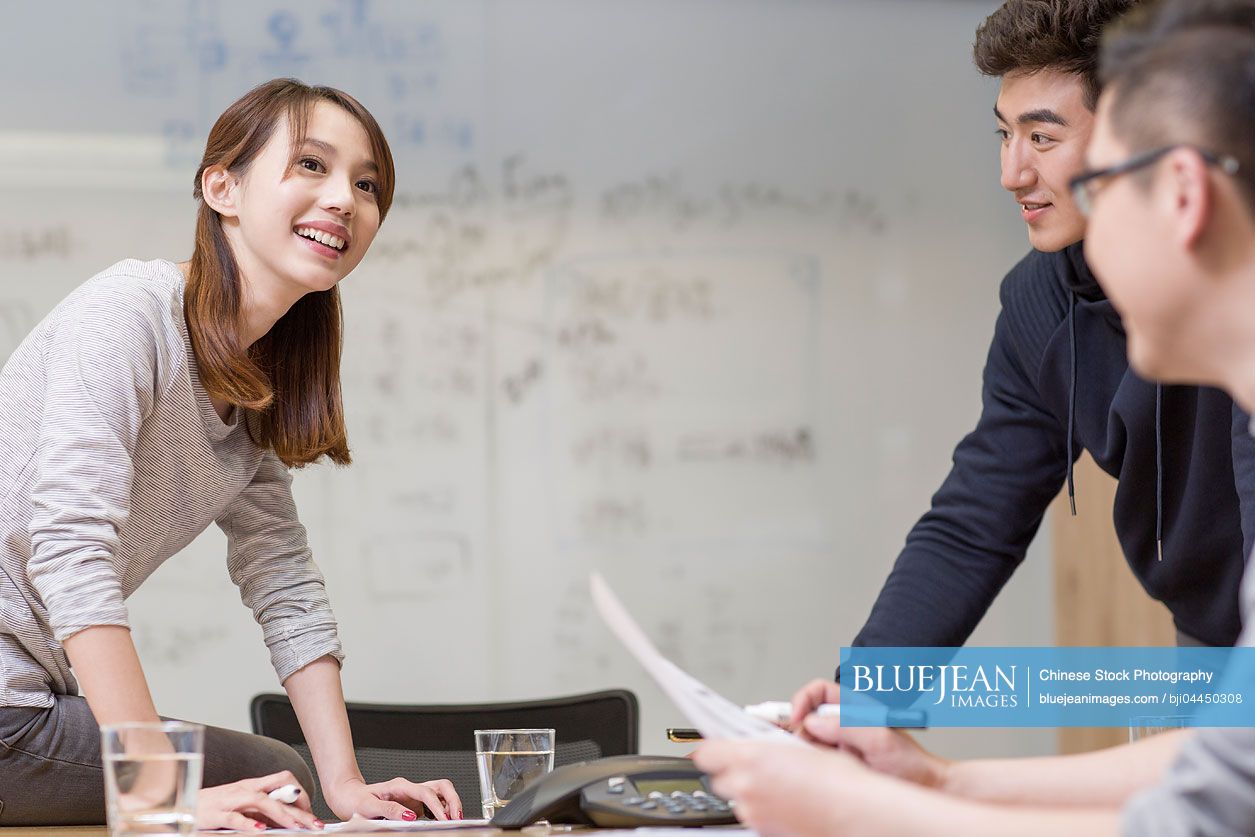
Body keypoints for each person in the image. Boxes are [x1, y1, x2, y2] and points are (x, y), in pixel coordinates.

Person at [698, 1, 1255, 834]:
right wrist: (876, 714)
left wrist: (870, 809)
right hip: (1212, 643)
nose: (1009, 173)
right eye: (1001, 135)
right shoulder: (1041, 300)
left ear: (1171, 176)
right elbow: (973, 518)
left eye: (1044, 139)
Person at [0, 78, 462, 829]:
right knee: (262, 777)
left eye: (367, 182)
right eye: (312, 164)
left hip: (28, 700)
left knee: (277, 777)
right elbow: (70, 548)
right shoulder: (131, 313)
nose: (345, 197)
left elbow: (282, 577)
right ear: (222, 187)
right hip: (7, 707)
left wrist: (347, 784)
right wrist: (156, 791)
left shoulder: (249, 386)